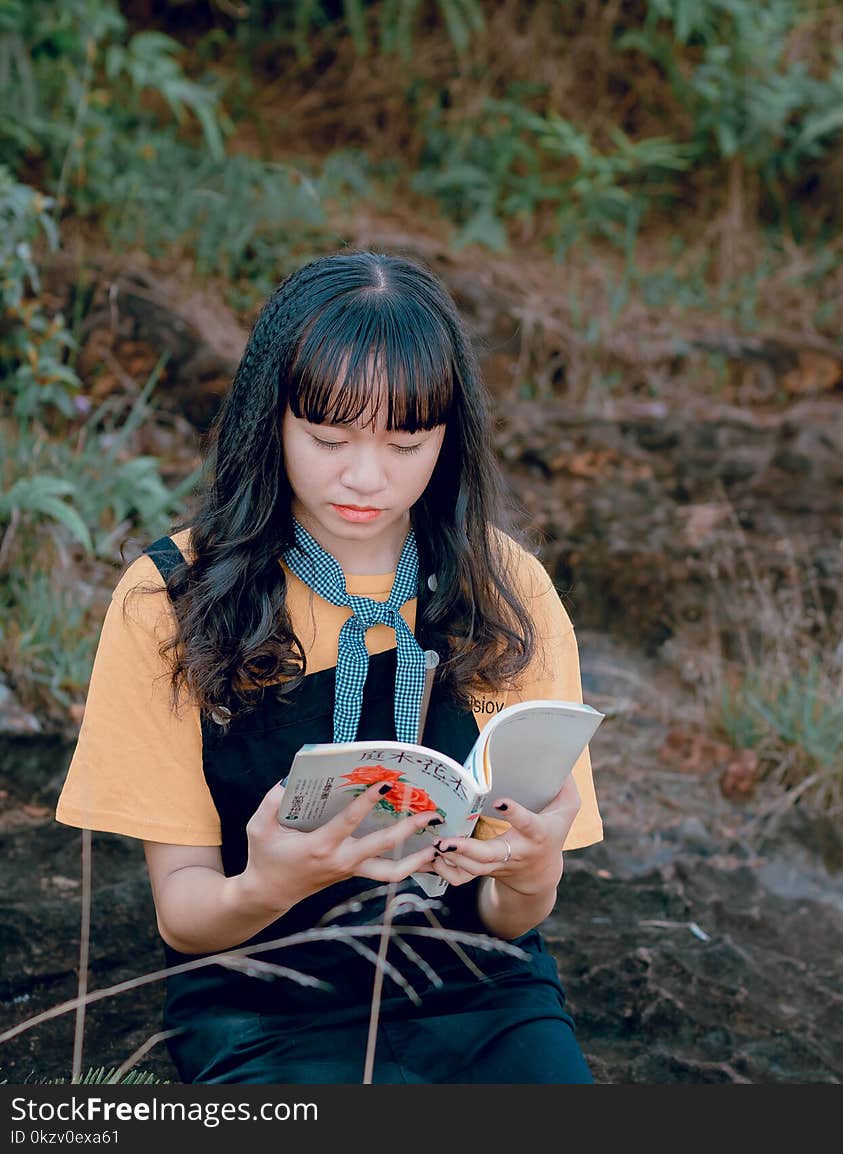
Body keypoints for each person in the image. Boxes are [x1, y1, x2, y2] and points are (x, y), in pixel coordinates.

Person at [55, 249, 604, 1085]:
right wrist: (268, 884)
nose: (365, 477)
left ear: (448, 438)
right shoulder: (171, 600)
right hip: (261, 1006)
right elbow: (186, 916)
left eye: (406, 442)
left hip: (478, 996)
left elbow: (512, 917)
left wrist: (533, 867)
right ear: (269, 420)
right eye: (328, 437)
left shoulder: (506, 591)